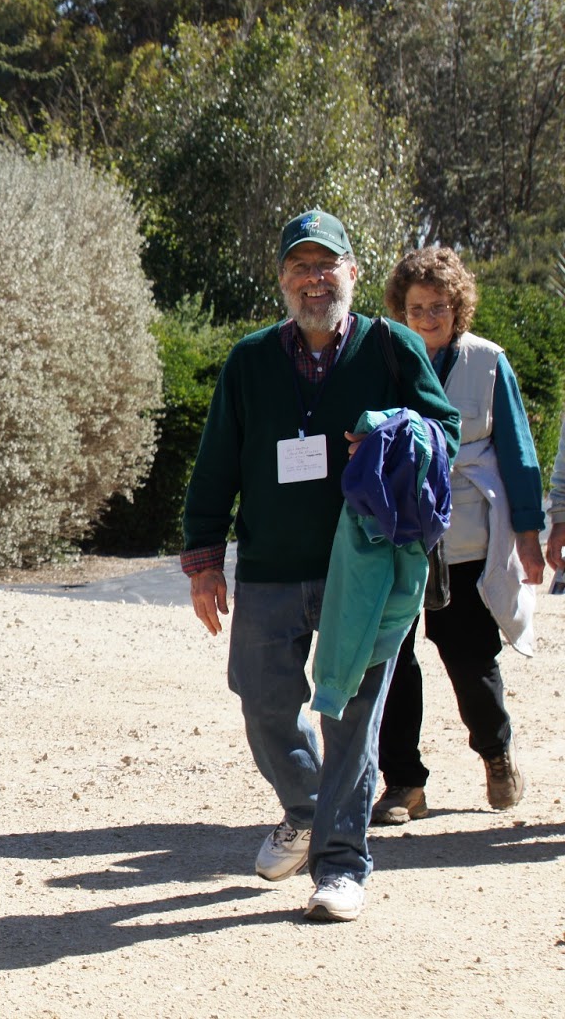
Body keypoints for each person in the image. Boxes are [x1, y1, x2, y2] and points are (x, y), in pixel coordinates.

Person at [181, 210, 459, 923]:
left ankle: (340, 865)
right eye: (299, 266)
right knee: (262, 700)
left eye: (326, 264)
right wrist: (205, 561)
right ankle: (307, 810)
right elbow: (215, 465)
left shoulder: (392, 347)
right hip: (271, 565)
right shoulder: (250, 361)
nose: (313, 279)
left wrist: (391, 431)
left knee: (354, 719)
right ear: (282, 278)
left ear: (352, 272)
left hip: (363, 566)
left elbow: (446, 431)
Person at [371, 248, 540, 825]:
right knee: (392, 660)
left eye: (439, 306)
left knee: (470, 657)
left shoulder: (488, 362)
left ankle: (496, 754)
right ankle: (404, 784)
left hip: (467, 537)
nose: (427, 318)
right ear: (401, 309)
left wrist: (529, 534)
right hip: (399, 533)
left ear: (458, 307)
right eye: (416, 308)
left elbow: (518, 453)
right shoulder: (383, 359)